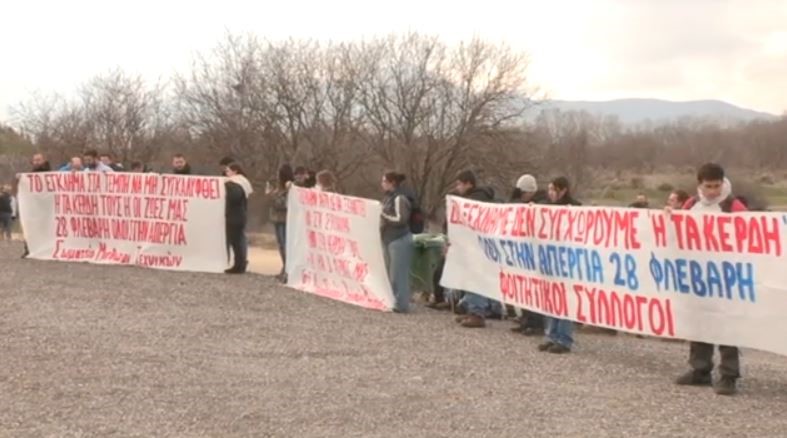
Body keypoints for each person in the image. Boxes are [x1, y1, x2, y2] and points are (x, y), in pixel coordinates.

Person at [674, 163, 746, 396]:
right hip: (698, 276)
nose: (713, 191)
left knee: (726, 327)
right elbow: (676, 229)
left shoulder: (733, 206)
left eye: (717, 186)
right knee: (700, 323)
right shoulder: (691, 205)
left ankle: (729, 375)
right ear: (700, 185)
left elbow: (749, 235)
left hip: (726, 278)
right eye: (709, 186)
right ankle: (700, 369)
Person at [450, 170, 501, 328]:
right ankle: (471, 309)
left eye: (459, 184)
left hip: (477, 245)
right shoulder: (475, 199)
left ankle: (477, 312)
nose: (457, 187)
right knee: (470, 279)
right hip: (472, 244)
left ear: (468, 184)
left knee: (476, 278)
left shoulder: (475, 200)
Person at [539, 176, 581, 354]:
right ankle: (552, 336)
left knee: (564, 300)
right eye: (548, 189)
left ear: (562, 190)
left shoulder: (575, 208)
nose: (549, 193)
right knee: (551, 299)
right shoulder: (547, 208)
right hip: (551, 261)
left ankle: (564, 338)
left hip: (566, 262)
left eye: (553, 189)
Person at [509, 174, 548, 335]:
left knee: (534, 290)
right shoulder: (524, 204)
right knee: (524, 289)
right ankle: (526, 319)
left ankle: (536, 323)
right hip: (524, 252)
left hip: (536, 253)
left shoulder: (541, 204)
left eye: (524, 193)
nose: (523, 196)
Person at [380, 171, 414, 313]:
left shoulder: (400, 198)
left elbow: (401, 219)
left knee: (398, 274)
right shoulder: (388, 197)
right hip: (388, 238)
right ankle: (392, 299)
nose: (382, 184)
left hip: (399, 239)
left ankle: (401, 303)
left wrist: (382, 214)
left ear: (392, 182)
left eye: (384, 181)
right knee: (390, 273)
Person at [19, 153, 52, 258]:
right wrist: (19, 179)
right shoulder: (30, 174)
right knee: (30, 228)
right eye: (35, 160)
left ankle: (47, 249)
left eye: (39, 160)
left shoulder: (50, 173)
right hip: (33, 206)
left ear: (44, 160)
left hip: (46, 206)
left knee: (46, 228)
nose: (37, 162)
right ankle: (29, 248)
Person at [224, 163, 253, 274]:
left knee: (236, 242)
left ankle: (239, 265)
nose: (226, 173)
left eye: (228, 171)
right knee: (237, 241)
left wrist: (228, 186)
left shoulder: (236, 183)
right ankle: (239, 264)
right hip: (239, 215)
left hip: (235, 217)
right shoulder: (242, 182)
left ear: (234, 171)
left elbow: (234, 197)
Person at [268, 164, 294, 282]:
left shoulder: (289, 188)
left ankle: (287, 270)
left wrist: (271, 194)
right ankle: (284, 268)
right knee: (281, 245)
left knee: (284, 245)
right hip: (277, 219)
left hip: (284, 219)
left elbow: (282, 204)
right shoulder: (280, 188)